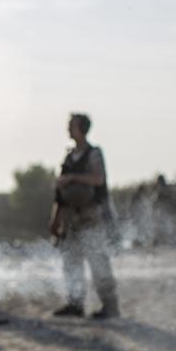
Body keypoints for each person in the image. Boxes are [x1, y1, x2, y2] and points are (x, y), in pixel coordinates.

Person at [50, 113, 119, 319]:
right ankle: (75, 304)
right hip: (71, 217)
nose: (68, 129)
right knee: (71, 262)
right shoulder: (69, 157)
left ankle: (110, 306)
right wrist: (55, 220)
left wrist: (73, 178)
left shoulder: (93, 154)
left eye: (71, 125)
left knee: (98, 262)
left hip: (91, 216)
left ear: (82, 128)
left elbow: (98, 179)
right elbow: (60, 195)